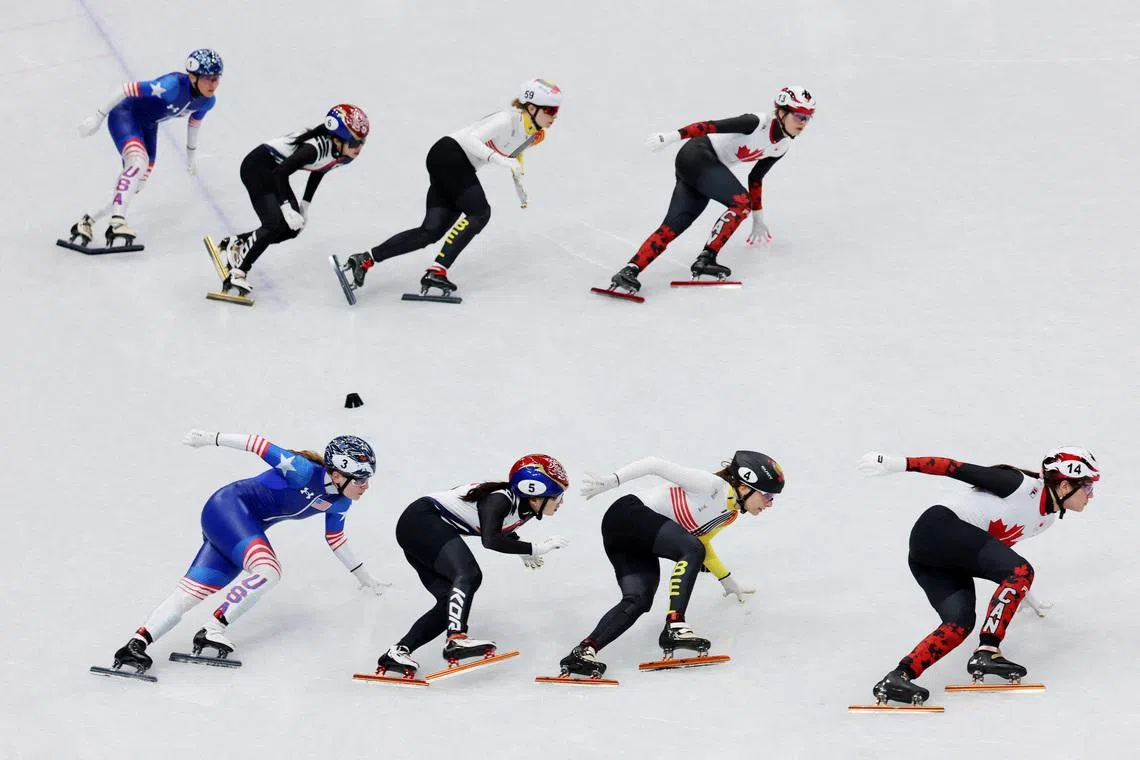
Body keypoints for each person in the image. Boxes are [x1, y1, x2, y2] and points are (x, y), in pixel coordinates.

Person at [103, 431, 386, 677]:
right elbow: (257, 443)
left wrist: (364, 577)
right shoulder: (301, 469)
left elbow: (335, 539)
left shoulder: (340, 503)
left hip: (238, 526)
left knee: (191, 591)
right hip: (228, 507)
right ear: (337, 474)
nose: (367, 486)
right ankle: (212, 629)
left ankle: (135, 645)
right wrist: (209, 438)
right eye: (361, 479)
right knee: (268, 571)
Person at [857, 447, 1100, 705]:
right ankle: (987, 651)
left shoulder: (1045, 520)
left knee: (959, 624)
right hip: (939, 528)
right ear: (1064, 486)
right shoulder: (1018, 486)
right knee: (1020, 571)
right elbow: (954, 467)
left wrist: (1022, 591)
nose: (1091, 495)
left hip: (936, 557)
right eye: (1088, 487)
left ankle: (898, 677)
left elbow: (995, 556)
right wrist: (896, 463)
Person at [556, 451, 784, 678]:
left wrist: (728, 582)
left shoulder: (730, 513)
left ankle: (583, 652)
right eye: (767, 496)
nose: (770, 504)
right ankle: (675, 625)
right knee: (692, 549)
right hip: (628, 514)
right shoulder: (711, 485)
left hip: (633, 538)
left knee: (639, 600)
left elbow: (702, 543)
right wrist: (612, 480)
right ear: (744, 486)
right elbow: (655, 464)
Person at [340, 79, 562, 297]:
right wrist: (500, 160)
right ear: (531, 107)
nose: (554, 116)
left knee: (430, 231)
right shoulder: (507, 119)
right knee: (480, 212)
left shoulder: (534, 134)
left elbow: (515, 154)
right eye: (550, 110)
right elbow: (470, 139)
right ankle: (437, 270)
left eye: (556, 110)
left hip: (456, 165)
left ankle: (365, 259)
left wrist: (519, 183)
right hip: (449, 154)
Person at [375, 455, 570, 677]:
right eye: (557, 496)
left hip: (417, 529)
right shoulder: (500, 499)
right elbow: (490, 539)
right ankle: (456, 638)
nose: (561, 502)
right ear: (535, 496)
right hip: (422, 520)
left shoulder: (522, 506)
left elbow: (502, 527)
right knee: (469, 574)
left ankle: (398, 652)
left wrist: (519, 548)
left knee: (449, 602)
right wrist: (534, 548)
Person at [607, 86, 815, 294]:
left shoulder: (781, 147)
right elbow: (710, 126)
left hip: (705, 171)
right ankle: (707, 258)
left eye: (808, 117)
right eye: (799, 116)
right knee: (741, 202)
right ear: (781, 112)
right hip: (697, 155)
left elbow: (756, 178)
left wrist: (758, 219)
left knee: (674, 224)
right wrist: (671, 136)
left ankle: (629, 270)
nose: (803, 123)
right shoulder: (756, 123)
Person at [72, 49, 223, 248]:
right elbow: (126, 88)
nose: (214, 84)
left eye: (216, 78)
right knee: (137, 162)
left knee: (137, 184)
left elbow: (194, 126)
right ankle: (117, 221)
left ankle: (87, 221)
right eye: (208, 79)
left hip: (149, 126)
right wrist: (98, 117)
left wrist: (191, 157)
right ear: (193, 77)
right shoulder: (172, 86)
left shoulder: (208, 101)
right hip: (125, 114)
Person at [214, 104, 369, 294]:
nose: (359, 148)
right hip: (257, 168)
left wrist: (304, 207)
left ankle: (238, 242)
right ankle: (238, 272)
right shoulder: (313, 148)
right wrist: (286, 208)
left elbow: (320, 170)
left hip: (275, 171)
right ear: (337, 139)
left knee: (292, 229)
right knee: (273, 223)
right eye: (354, 143)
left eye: (363, 142)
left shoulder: (344, 154)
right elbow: (280, 174)